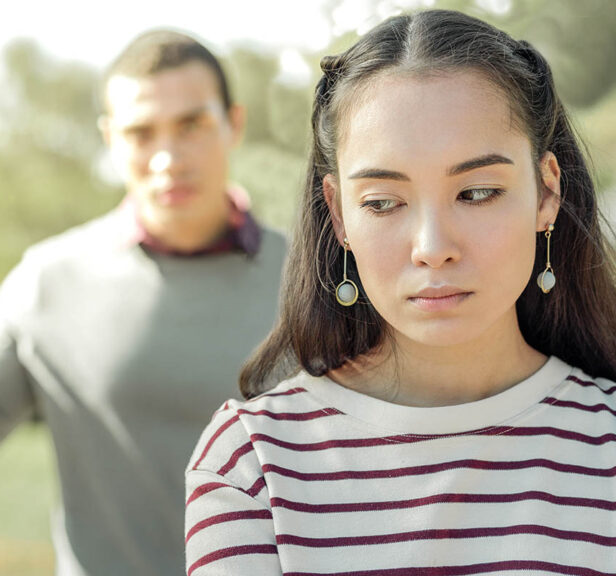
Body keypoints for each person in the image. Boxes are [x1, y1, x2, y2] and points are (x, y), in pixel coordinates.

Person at [185, 9, 616, 575]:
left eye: (478, 192)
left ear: (546, 193)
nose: (432, 246)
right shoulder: (252, 465)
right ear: (338, 214)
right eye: (383, 202)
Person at [0, 30, 287, 576]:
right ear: (110, 139)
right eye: (141, 132)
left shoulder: (309, 280)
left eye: (192, 124)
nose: (168, 157)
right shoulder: (49, 282)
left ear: (234, 124)